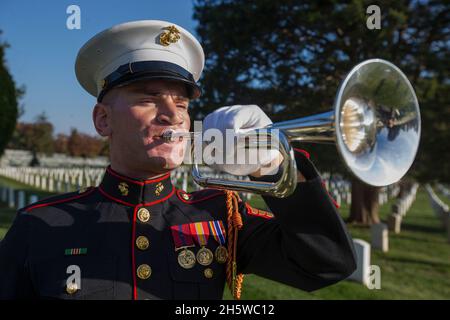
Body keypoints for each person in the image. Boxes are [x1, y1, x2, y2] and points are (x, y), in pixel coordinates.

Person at [0, 20, 356, 300]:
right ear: (102, 120)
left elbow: (327, 265)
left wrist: (270, 166)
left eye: (183, 103)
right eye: (149, 97)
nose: (173, 114)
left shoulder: (219, 213)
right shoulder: (37, 225)